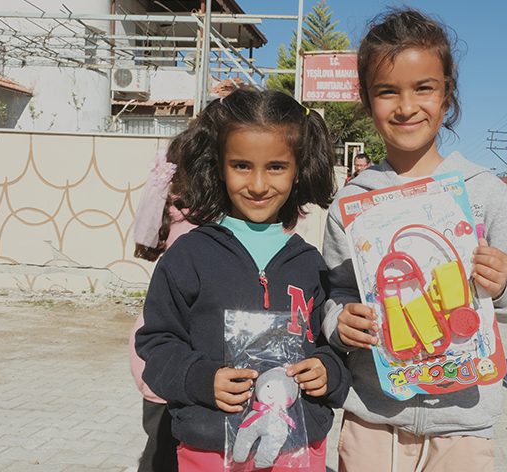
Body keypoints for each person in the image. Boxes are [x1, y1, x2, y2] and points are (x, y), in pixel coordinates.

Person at [320, 9, 507, 471]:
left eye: (423, 88)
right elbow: (334, 292)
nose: (406, 107)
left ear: (447, 95)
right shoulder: (351, 203)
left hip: (464, 421)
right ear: (366, 99)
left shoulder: (483, 191)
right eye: (387, 91)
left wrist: (504, 284)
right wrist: (339, 323)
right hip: (373, 417)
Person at [135, 88, 350, 472]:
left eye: (276, 167)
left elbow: (331, 345)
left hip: (297, 448)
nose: (258, 184)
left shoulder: (310, 263)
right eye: (241, 166)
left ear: (298, 169)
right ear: (219, 166)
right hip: (210, 451)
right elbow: (157, 344)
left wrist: (327, 371)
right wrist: (201, 379)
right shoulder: (188, 256)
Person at [130, 142, 198, 472]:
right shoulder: (198, 219)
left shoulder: (178, 212)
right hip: (172, 356)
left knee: (161, 450)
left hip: (162, 354)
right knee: (163, 452)